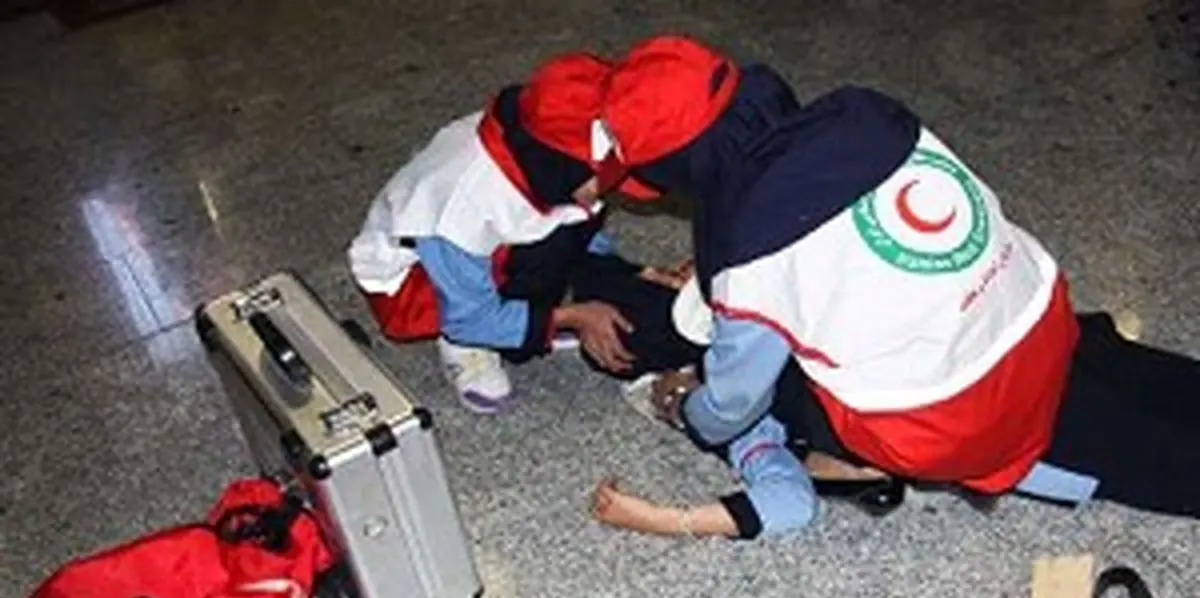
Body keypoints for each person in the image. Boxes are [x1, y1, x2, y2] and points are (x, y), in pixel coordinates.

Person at [586, 35, 1200, 539]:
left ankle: (852, 464)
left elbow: (734, 405)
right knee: (1135, 383)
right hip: (1037, 313)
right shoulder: (867, 116)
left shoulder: (746, 252)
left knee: (1136, 457)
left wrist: (692, 411)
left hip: (963, 413)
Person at [347, 51, 699, 413]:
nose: (617, 188)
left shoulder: (545, 148)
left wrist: (626, 272)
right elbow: (472, 311)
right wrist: (569, 316)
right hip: (418, 281)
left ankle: (540, 308)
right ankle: (462, 345)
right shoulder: (461, 211)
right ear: (564, 167)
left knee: (624, 294)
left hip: (499, 244)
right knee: (495, 301)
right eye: (612, 177)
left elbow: (572, 224)